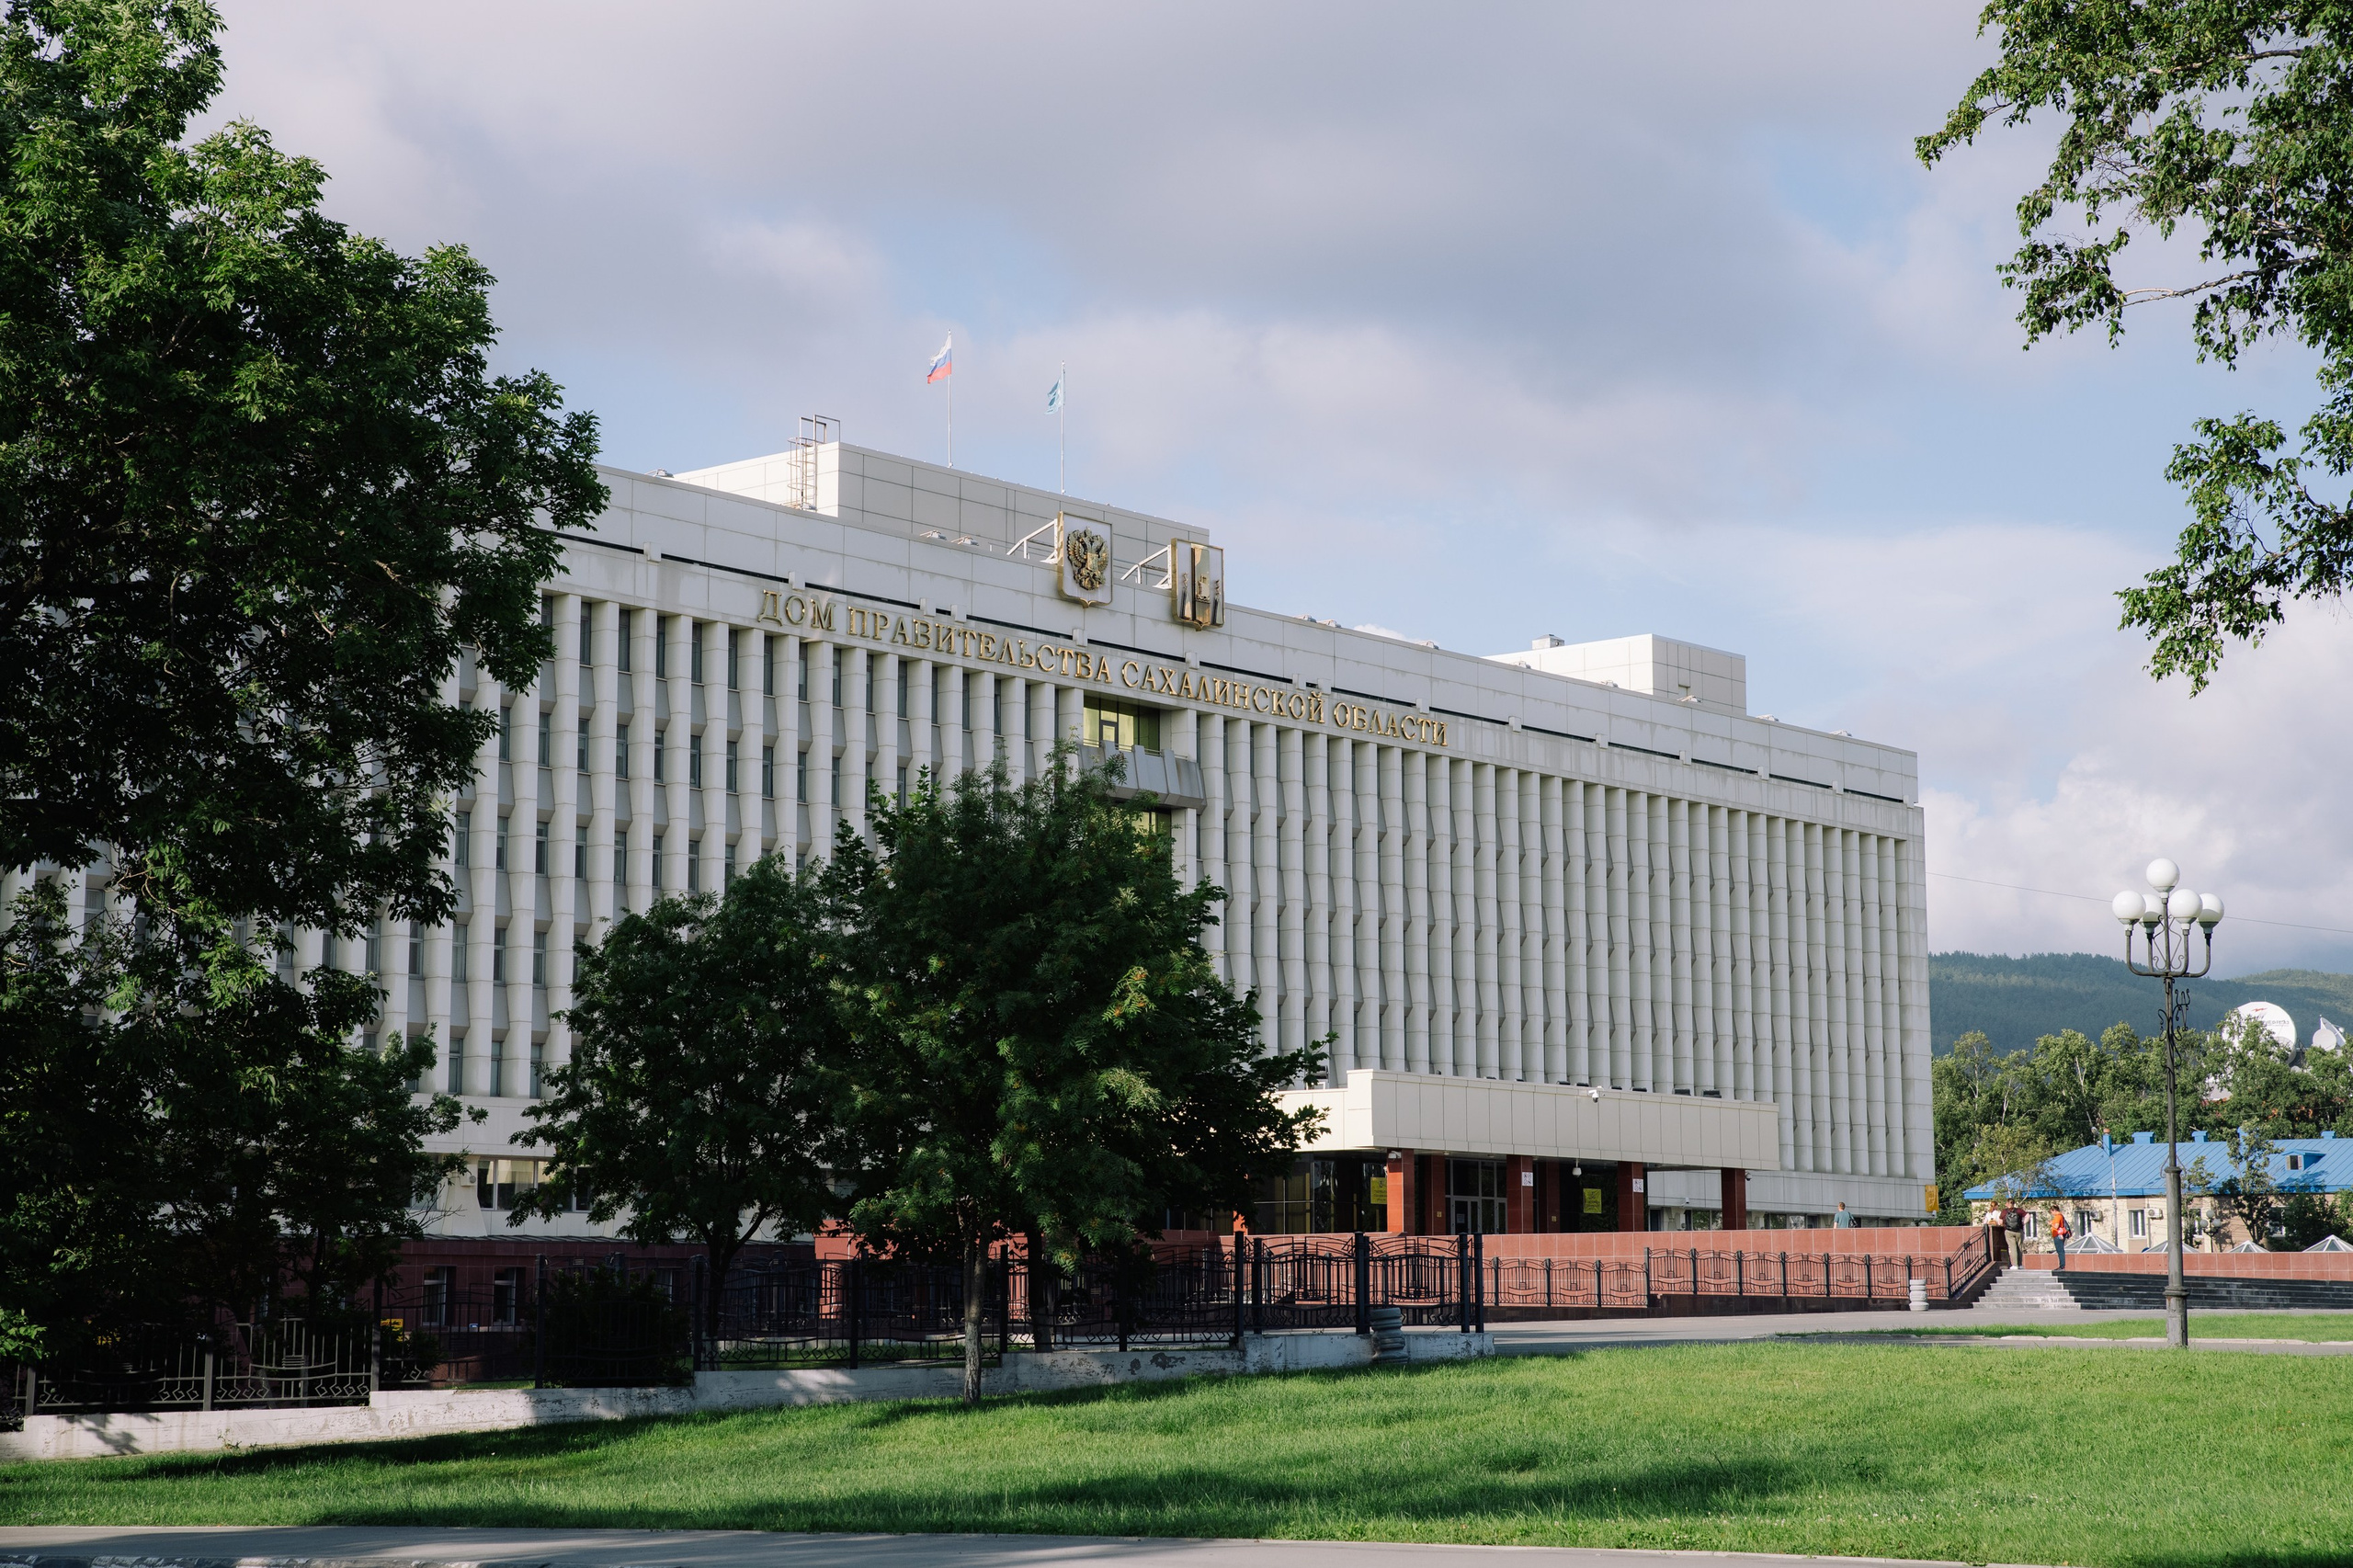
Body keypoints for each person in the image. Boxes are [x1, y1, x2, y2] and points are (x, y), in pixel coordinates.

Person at [2050, 1207, 2071, 1271]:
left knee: (2060, 1251)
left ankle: (2062, 1266)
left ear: (2055, 1210)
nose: (2052, 1213)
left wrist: (2051, 1224)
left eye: (2052, 1212)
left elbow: (2056, 1226)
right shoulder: (2060, 1216)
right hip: (2058, 1235)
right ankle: (2062, 1266)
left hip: (2058, 1235)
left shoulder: (2058, 1217)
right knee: (2060, 1251)